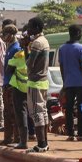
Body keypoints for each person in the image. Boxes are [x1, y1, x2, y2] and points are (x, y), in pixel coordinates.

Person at [58, 25, 82, 141]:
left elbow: (62, 67)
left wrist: (64, 82)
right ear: (77, 33)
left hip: (68, 83)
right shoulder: (81, 48)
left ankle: (70, 133)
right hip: (80, 83)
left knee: (69, 108)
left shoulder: (62, 48)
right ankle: (81, 133)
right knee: (81, 108)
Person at [25, 17, 50, 152]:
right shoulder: (44, 41)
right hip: (43, 81)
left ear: (36, 27)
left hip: (35, 82)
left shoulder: (36, 43)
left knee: (36, 112)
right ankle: (44, 142)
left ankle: (41, 144)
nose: (28, 29)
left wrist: (24, 47)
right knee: (43, 112)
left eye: (30, 26)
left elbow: (29, 63)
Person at [0, 25, 21, 145]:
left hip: (13, 84)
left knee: (14, 112)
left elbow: (14, 68)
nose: (4, 37)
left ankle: (16, 138)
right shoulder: (9, 47)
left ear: (11, 35)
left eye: (5, 34)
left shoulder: (16, 48)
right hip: (6, 83)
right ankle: (8, 138)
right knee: (7, 112)